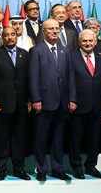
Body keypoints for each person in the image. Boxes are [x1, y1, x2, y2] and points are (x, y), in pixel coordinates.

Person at [29, 19, 77, 181]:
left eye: (57, 28)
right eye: (51, 29)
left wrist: (72, 98)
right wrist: (36, 98)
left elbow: (70, 76)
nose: (55, 31)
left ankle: (57, 168)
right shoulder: (37, 50)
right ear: (43, 31)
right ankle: (41, 168)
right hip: (44, 102)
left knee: (58, 139)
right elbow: (33, 77)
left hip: (63, 102)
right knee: (41, 138)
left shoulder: (65, 50)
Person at [0, 27, 31, 181]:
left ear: (16, 36)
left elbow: (29, 79)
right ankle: (1, 169)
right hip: (2, 103)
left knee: (19, 138)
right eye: (6, 35)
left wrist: (29, 99)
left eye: (12, 34)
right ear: (2, 37)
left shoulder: (25, 54)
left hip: (21, 103)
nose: (9, 37)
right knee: (2, 138)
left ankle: (19, 169)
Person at [69, 30, 101, 179]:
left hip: (98, 106)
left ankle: (91, 166)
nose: (87, 43)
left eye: (90, 41)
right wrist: (71, 100)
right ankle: (76, 167)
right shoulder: (71, 56)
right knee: (76, 139)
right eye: (84, 41)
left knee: (94, 139)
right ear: (79, 42)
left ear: (95, 42)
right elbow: (69, 80)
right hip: (78, 105)